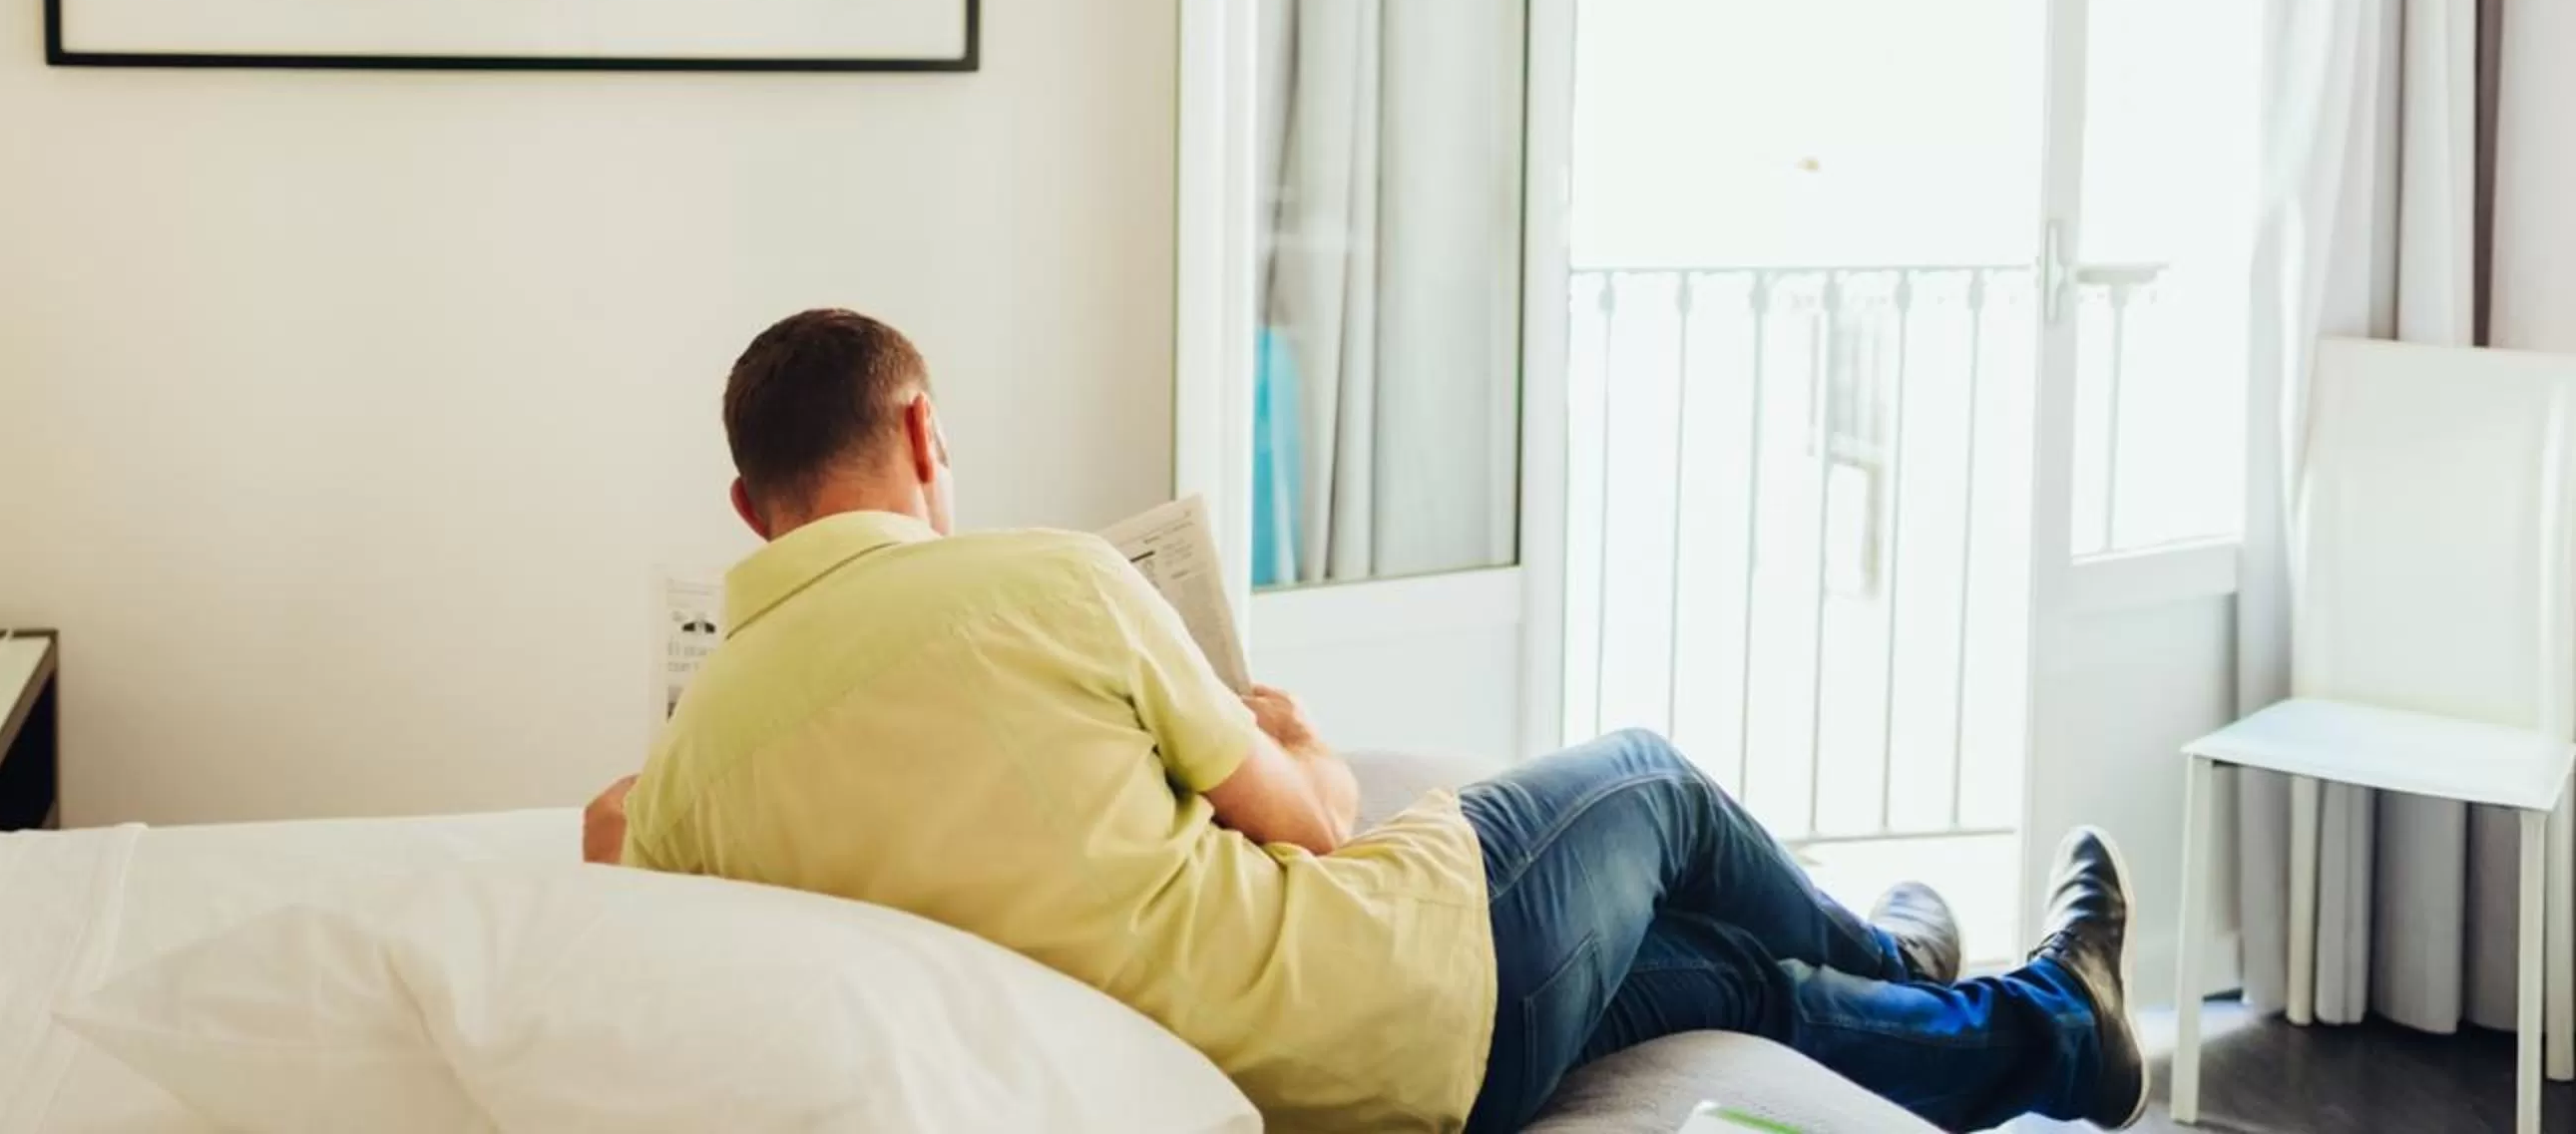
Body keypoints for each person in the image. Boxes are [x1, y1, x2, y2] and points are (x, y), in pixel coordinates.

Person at [589, 309, 2148, 1134]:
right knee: (1655, 786)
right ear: (924, 432)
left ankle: (2057, 1036)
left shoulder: (701, 771)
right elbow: (1319, 821)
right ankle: (1904, 959)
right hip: (1385, 993)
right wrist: (1294, 729)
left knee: (1727, 981)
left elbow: (614, 847)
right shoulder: (1042, 587)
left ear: (748, 508)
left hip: (1338, 1095)